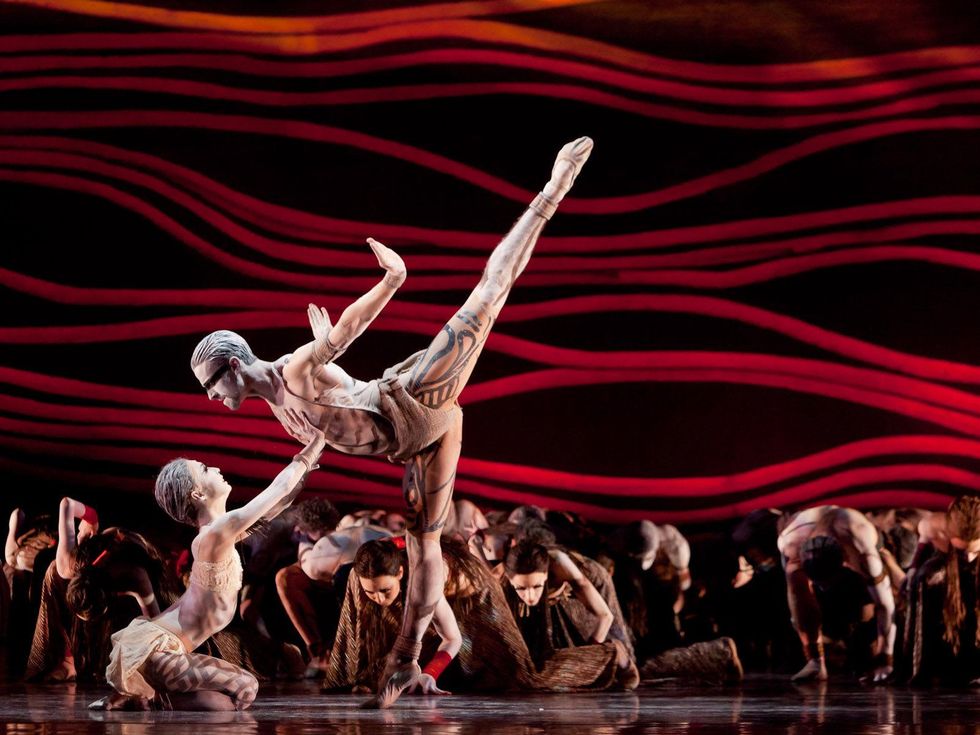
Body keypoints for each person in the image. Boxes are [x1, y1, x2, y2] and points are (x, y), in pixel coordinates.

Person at [189, 137, 594, 707]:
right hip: (417, 444)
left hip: (413, 401)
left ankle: (552, 189)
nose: (212, 398)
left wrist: (392, 280)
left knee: (485, 298)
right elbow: (305, 463)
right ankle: (407, 662)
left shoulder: (296, 371)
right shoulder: (278, 407)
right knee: (423, 544)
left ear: (235, 365)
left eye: (212, 385)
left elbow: (346, 330)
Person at [91, 423, 325, 710]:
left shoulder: (219, 535)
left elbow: (274, 506)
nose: (214, 468)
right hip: (160, 652)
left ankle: (148, 696)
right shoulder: (214, 536)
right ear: (198, 495)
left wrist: (307, 466)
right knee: (246, 689)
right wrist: (315, 443)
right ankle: (150, 697)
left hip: (163, 650)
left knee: (236, 695)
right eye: (204, 469)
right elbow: (278, 489)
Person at [777, 505, 895, 682]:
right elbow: (798, 606)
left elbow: (885, 604)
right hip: (808, 533)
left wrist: (886, 658)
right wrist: (814, 656)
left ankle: (875, 657)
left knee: (870, 604)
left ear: (845, 563)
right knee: (796, 586)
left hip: (853, 532)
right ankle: (815, 662)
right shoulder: (790, 545)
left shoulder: (861, 550)